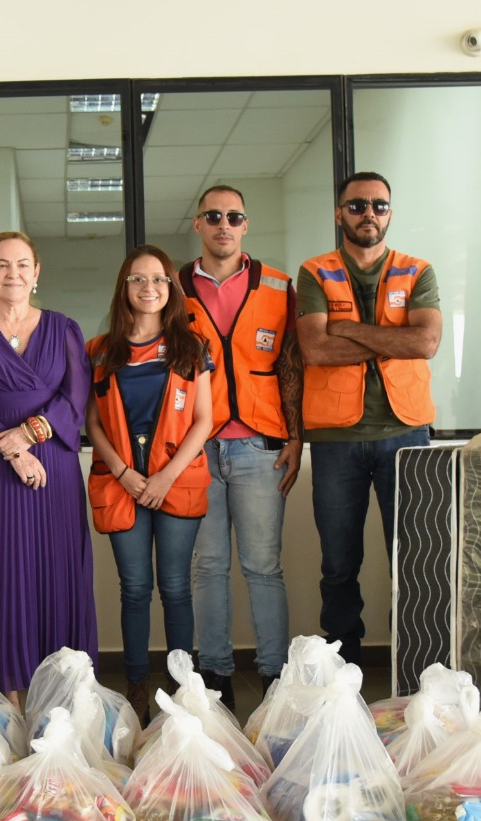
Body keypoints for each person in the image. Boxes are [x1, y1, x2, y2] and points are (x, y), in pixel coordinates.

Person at [296, 172, 442, 666]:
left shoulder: (416, 270)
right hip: (337, 439)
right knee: (339, 564)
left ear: (390, 214)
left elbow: (425, 343)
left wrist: (352, 330)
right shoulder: (315, 271)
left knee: (414, 560)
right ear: (340, 213)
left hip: (407, 433)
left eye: (379, 206)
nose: (368, 215)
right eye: (357, 206)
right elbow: (314, 348)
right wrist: (387, 337)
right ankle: (345, 672)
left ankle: (418, 665)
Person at [0, 231, 98, 699]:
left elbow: (76, 399)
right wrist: (13, 451)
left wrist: (29, 436)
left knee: (55, 570)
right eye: (2, 265)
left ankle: (59, 692)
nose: (13, 273)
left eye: (22, 264)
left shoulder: (64, 328)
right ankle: (3, 694)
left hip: (53, 471)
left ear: (36, 273)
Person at [179, 185, 301, 711]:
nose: (223, 224)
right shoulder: (174, 286)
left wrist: (297, 436)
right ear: (198, 225)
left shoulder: (277, 284)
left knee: (263, 566)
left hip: (260, 444)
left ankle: (276, 677)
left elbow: (294, 362)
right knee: (207, 566)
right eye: (213, 216)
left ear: (245, 225)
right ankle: (216, 675)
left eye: (234, 216)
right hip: (197, 447)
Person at [86, 246, 214, 716]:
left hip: (174, 481)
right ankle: (137, 686)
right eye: (138, 279)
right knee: (135, 589)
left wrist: (162, 477)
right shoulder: (100, 351)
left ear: (171, 288)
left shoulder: (191, 346)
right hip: (122, 485)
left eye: (159, 279)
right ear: (124, 288)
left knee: (176, 587)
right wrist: (125, 473)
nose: (149, 288)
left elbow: (203, 420)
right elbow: (93, 424)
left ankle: (184, 689)